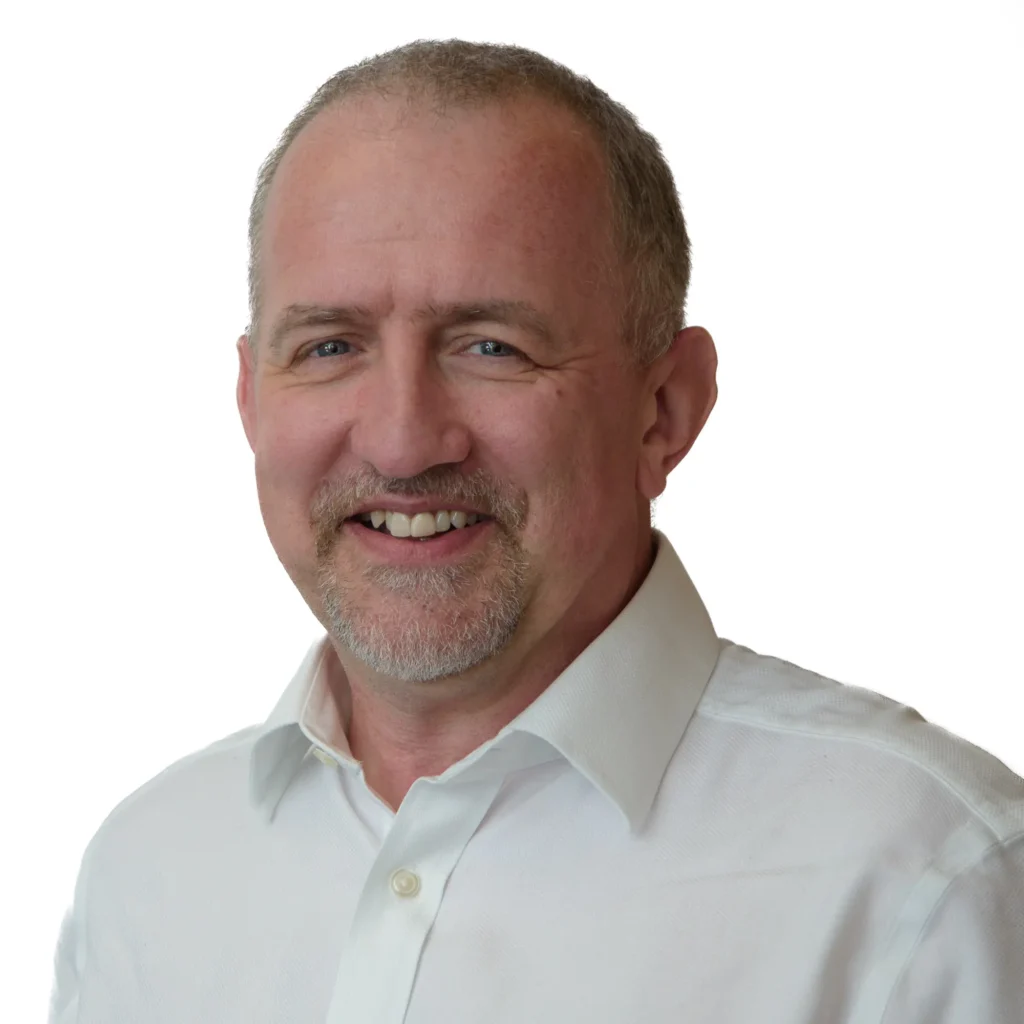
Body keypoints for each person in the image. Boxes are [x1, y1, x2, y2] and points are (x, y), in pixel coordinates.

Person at [49, 38, 1023, 1024]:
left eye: (490, 346)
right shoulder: (150, 871)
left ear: (664, 410)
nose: (400, 441)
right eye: (330, 345)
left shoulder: (921, 879)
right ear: (253, 398)